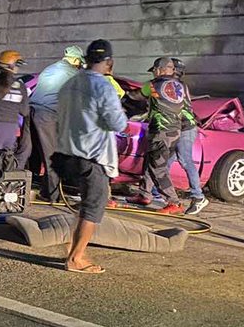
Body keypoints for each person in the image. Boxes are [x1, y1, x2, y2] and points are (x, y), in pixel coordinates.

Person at [52, 39, 129, 274]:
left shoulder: (69, 84)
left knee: (87, 204)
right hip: (92, 156)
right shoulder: (103, 87)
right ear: (109, 62)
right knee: (93, 207)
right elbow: (117, 123)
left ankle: (75, 247)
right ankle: (76, 258)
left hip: (68, 155)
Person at [28, 44, 84, 199]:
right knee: (52, 157)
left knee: (29, 154)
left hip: (31, 112)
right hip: (47, 115)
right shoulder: (72, 73)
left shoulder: (50, 68)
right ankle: (52, 196)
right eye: (79, 62)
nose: (79, 66)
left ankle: (16, 188)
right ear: (75, 60)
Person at [133, 56, 187, 214]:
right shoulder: (179, 86)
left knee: (158, 167)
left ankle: (173, 202)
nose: (154, 72)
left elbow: (135, 96)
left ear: (159, 69)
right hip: (175, 131)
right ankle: (144, 194)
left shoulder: (153, 85)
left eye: (154, 70)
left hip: (161, 132)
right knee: (151, 161)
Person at [166, 57, 208, 215]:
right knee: (168, 159)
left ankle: (198, 196)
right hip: (179, 126)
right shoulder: (176, 85)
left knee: (184, 158)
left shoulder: (175, 86)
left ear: (174, 71)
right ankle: (158, 192)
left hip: (185, 127)